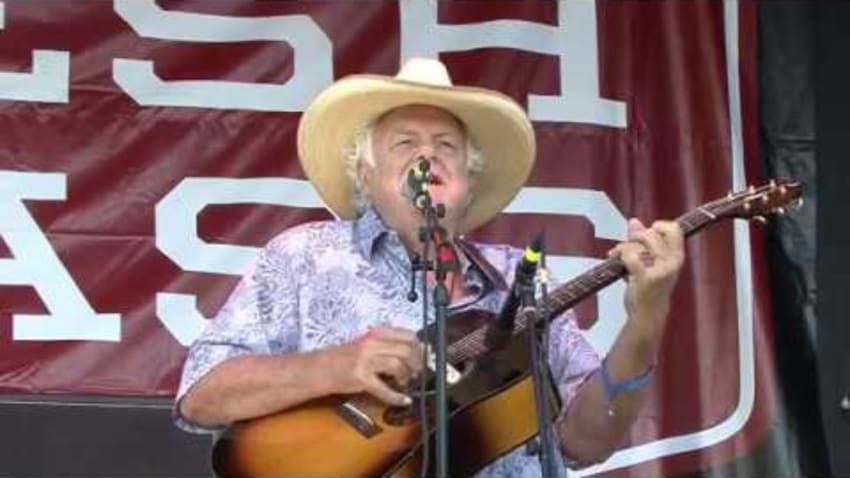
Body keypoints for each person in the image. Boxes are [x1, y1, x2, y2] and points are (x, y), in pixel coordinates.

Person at [174, 58, 685, 477]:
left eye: (446, 146)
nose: (428, 156)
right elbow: (201, 396)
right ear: (365, 174)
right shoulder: (302, 255)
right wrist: (334, 366)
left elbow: (588, 442)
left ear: (468, 180)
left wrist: (647, 316)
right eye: (405, 143)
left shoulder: (520, 279)